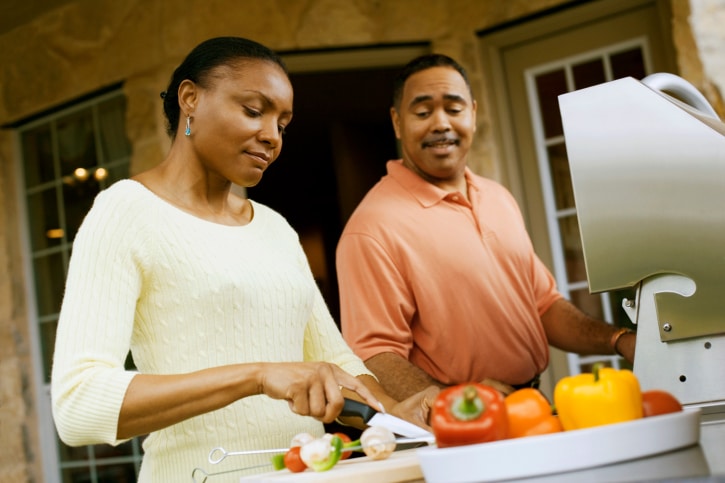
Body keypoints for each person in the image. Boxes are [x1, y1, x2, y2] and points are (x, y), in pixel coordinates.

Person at [51, 37, 435, 482]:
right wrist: (256, 376)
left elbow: (334, 361)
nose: (272, 135)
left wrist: (394, 411)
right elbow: (78, 404)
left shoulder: (274, 228)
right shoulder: (125, 212)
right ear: (190, 99)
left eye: (283, 124)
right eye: (254, 111)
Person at [336, 53, 636, 402]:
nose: (440, 124)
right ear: (397, 122)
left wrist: (618, 339)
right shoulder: (372, 228)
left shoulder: (497, 197)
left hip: (532, 402)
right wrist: (458, 401)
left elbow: (543, 305)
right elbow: (374, 355)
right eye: (422, 112)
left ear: (473, 115)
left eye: (454, 108)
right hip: (456, 425)